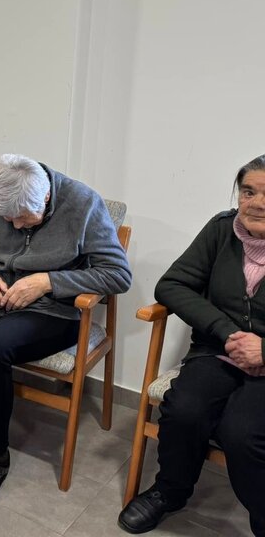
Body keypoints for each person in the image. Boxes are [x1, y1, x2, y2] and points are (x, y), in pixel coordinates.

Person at [0, 154, 131, 508]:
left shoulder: (83, 203)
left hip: (53, 310)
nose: (13, 226)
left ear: (44, 199)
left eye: (20, 218)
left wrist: (48, 281)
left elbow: (117, 274)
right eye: (6, 218)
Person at [119, 155, 265, 536]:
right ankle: (170, 492)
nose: (257, 203)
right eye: (248, 191)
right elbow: (172, 285)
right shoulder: (222, 229)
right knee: (184, 409)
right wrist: (225, 331)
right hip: (217, 350)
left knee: (242, 434)